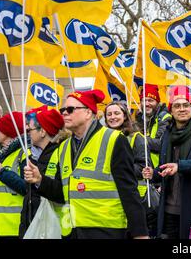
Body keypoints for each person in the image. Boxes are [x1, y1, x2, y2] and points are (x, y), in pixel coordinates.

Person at [24, 90, 149, 239]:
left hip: (106, 230)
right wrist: (40, 180)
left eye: (70, 109)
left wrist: (140, 233)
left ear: (88, 112)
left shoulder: (113, 139)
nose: (64, 113)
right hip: (72, 231)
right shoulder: (63, 147)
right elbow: (63, 193)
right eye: (63, 110)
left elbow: (128, 190)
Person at [143, 85, 191, 239]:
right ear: (171, 110)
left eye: (186, 105)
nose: (182, 109)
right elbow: (166, 166)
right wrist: (154, 173)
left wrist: (181, 166)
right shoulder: (167, 133)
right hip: (168, 206)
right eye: (177, 106)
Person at [0, 106, 67, 237]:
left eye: (30, 129)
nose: (27, 132)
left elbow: (63, 193)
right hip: (32, 227)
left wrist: (40, 180)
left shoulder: (60, 153)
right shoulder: (35, 156)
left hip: (53, 228)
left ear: (43, 132)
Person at [0, 111, 25, 238]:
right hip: (0, 227)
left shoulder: (24, 154)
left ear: (8, 131)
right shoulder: (1, 154)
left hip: (14, 228)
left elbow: (28, 187)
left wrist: (2, 172)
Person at [136, 84, 172, 168]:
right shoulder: (139, 119)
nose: (147, 104)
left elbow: (162, 144)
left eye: (151, 100)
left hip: (158, 169)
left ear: (158, 103)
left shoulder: (165, 118)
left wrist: (138, 139)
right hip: (142, 168)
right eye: (144, 100)